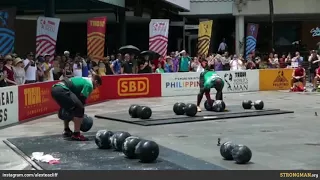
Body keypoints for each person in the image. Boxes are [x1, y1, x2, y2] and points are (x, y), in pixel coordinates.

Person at [51, 75, 102, 141]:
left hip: (54, 89)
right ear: (96, 81)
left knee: (69, 109)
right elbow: (82, 98)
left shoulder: (84, 79)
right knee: (80, 108)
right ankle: (76, 134)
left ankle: (67, 130)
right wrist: (81, 117)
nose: (96, 88)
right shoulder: (89, 84)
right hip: (62, 89)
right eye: (97, 85)